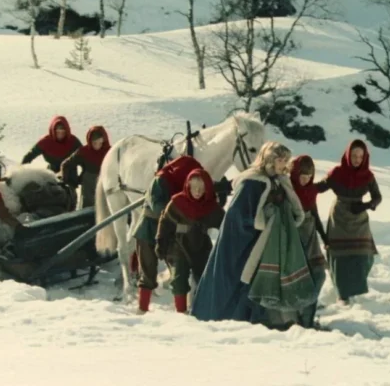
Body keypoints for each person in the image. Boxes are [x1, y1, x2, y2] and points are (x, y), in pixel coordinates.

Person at [191, 142, 322, 331]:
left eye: (286, 160)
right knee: (237, 283)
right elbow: (237, 216)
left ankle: (264, 322)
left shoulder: (278, 180)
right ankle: (230, 321)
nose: (283, 164)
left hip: (264, 242)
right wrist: (266, 215)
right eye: (280, 159)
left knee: (260, 282)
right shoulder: (252, 182)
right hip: (242, 245)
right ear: (269, 159)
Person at [131, 155, 202, 313]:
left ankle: (181, 313)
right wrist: (181, 215)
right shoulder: (159, 181)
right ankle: (142, 310)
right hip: (148, 230)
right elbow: (158, 208)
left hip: (169, 232)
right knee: (148, 273)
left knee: (179, 273)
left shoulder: (184, 185)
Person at [155, 169, 224, 313]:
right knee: (179, 280)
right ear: (188, 186)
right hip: (179, 246)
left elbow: (224, 223)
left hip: (201, 246)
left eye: (201, 188)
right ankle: (181, 312)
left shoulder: (211, 206)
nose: (197, 192)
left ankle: (202, 310)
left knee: (204, 279)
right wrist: (161, 242)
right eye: (194, 188)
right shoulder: (177, 202)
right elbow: (165, 222)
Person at [323, 139, 382, 305]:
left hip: (359, 217)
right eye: (354, 155)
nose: (357, 159)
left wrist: (366, 205)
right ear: (348, 155)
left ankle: (355, 287)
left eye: (360, 156)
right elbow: (319, 187)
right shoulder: (337, 173)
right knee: (340, 256)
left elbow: (377, 197)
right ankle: (342, 294)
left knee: (364, 254)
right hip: (339, 216)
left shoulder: (368, 176)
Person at [289, 155, 329, 325]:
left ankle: (307, 317)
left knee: (319, 275)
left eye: (309, 177)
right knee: (299, 279)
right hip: (294, 240)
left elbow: (314, 214)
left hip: (310, 239)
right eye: (302, 176)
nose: (305, 180)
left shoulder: (310, 191)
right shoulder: (288, 190)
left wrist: (325, 237)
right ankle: (301, 317)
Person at [60, 126, 110, 208]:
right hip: (88, 186)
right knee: (88, 209)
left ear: (104, 140)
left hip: (105, 184)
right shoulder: (84, 152)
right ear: (90, 141)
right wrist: (72, 182)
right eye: (94, 142)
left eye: (100, 142)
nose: (97, 145)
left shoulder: (110, 152)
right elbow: (66, 164)